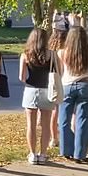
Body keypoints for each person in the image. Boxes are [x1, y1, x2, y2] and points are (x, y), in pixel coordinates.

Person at [19, 28, 54, 165]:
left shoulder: (26, 55)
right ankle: (43, 154)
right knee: (46, 125)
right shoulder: (51, 55)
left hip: (31, 90)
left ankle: (32, 154)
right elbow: (59, 72)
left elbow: (21, 77)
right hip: (47, 90)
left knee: (31, 125)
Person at [57, 27, 88, 163]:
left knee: (64, 119)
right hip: (86, 85)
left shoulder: (62, 52)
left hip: (67, 85)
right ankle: (80, 154)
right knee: (83, 120)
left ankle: (66, 150)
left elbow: (60, 72)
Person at [48, 29, 67, 148]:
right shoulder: (63, 52)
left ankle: (54, 138)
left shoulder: (51, 53)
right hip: (64, 81)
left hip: (54, 82)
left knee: (54, 112)